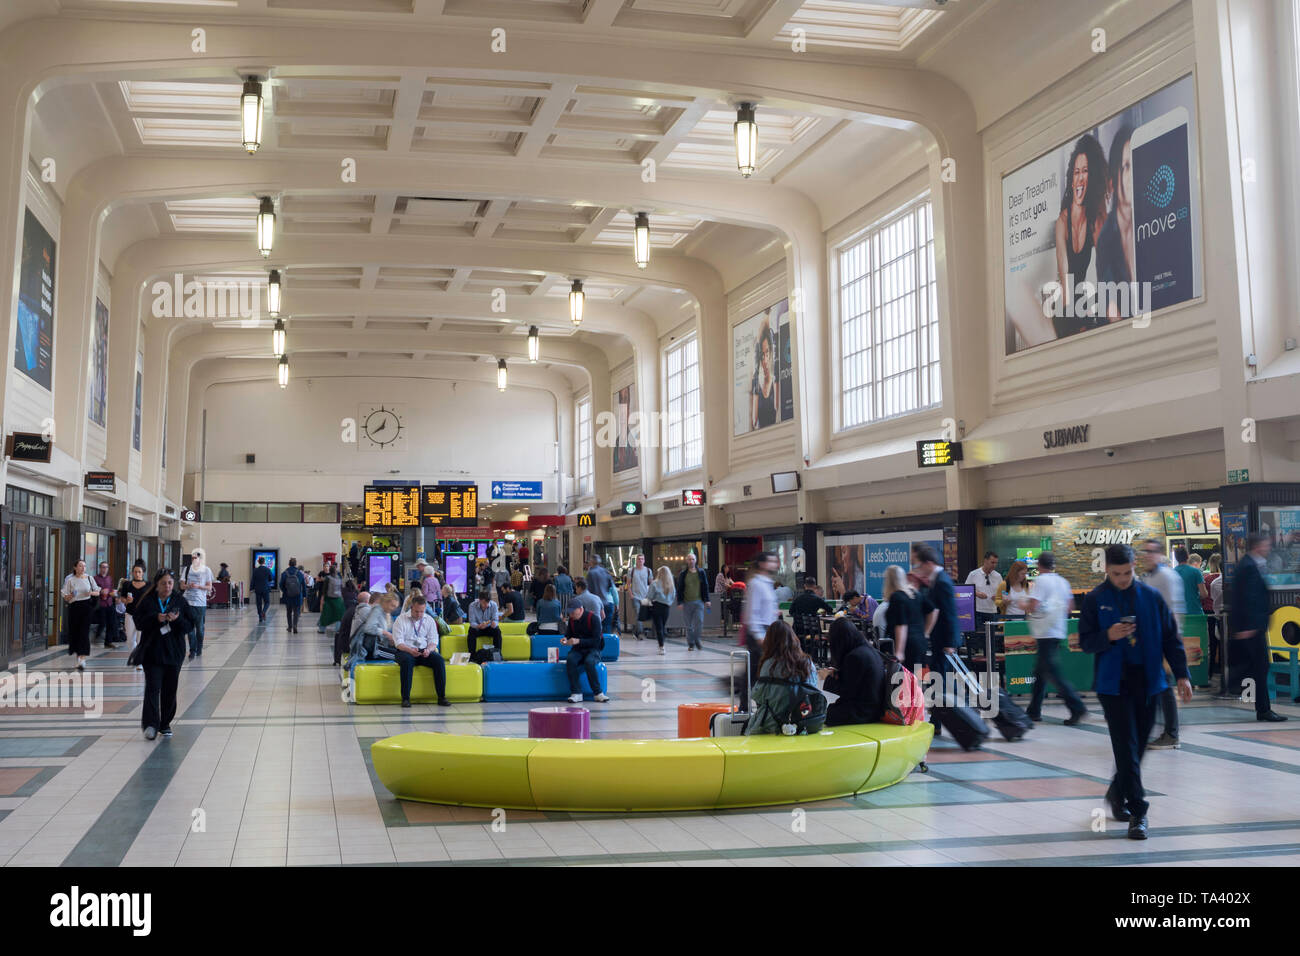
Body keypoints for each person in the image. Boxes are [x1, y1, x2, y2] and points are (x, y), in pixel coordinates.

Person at [1080, 543, 1192, 839]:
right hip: (1113, 685)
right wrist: (1108, 635)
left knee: (1138, 746)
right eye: (1117, 573)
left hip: (1149, 681)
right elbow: (1086, 641)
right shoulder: (1095, 599)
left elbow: (1171, 637)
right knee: (1124, 746)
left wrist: (1182, 675)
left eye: (1128, 572)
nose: (1123, 578)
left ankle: (1118, 792)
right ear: (1106, 569)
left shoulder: (1151, 597)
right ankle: (1139, 812)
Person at [1053, 133, 1109, 338]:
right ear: (1071, 178)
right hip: (1064, 309)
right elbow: (1065, 280)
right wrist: (1077, 321)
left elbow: (1104, 269)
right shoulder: (1062, 223)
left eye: (1085, 171)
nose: (1080, 177)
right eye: (1076, 172)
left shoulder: (1094, 219)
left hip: (1084, 308)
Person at [130, 569, 197, 740]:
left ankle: (165, 723)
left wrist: (177, 621)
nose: (167, 586)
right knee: (152, 688)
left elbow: (190, 625)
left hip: (174, 652)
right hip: (152, 652)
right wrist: (156, 618)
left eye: (170, 583)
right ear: (157, 585)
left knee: (170, 689)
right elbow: (138, 623)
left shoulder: (179, 601)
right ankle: (151, 724)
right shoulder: (148, 601)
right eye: (163, 583)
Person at [1230, 532, 1288, 723]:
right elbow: (1246, 599)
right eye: (1265, 545)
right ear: (1257, 546)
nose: (1268, 548)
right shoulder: (1248, 567)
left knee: (1258, 666)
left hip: (1252, 626)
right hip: (1251, 628)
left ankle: (1262, 708)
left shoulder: (1250, 564)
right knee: (1260, 666)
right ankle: (1263, 709)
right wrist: (1248, 626)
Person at [1024, 552, 1086, 724]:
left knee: (1053, 673)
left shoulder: (1041, 581)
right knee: (1040, 672)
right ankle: (1034, 710)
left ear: (1039, 566)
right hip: (1058, 631)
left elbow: (1034, 606)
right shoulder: (1063, 581)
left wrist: (1024, 604)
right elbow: (1069, 607)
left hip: (1045, 632)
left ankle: (1077, 706)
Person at [1138, 539, 1184, 749]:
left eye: (1150, 552)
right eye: (1144, 552)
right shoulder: (1148, 577)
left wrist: (1171, 644)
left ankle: (1171, 733)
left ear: (1159, 554)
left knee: (1164, 686)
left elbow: (1173, 611)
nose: (1146, 555)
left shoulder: (1166, 577)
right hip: (1150, 639)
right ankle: (1155, 728)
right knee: (1155, 685)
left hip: (1164, 640)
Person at [745, 620, 819, 735]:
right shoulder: (808, 662)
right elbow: (814, 690)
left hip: (773, 724)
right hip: (804, 721)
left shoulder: (769, 664)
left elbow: (758, 696)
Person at [819, 618, 886, 726]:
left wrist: (827, 678)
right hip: (875, 708)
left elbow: (847, 691)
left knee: (825, 714)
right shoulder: (867, 651)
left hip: (864, 712)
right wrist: (837, 673)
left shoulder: (854, 657)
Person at [390, 593, 449, 708]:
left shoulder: (429, 620)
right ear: (411, 607)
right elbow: (398, 642)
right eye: (417, 611)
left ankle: (441, 697)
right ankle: (405, 698)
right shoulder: (401, 619)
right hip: (405, 650)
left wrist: (429, 650)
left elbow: (433, 640)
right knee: (407, 662)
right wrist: (410, 650)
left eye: (422, 611)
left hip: (423, 651)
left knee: (439, 661)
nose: (419, 614)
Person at [740, 552, 779, 698]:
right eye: (771, 561)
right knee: (755, 672)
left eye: (776, 561)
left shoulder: (768, 584)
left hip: (768, 631)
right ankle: (745, 705)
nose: (775, 564)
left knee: (760, 672)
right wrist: (759, 636)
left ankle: (759, 704)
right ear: (762, 564)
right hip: (759, 633)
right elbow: (752, 612)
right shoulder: (756, 584)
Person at [561, 601, 611, 704]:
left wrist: (579, 641)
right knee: (570, 660)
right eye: (569, 613)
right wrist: (565, 639)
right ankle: (576, 692)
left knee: (589, 662)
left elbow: (596, 641)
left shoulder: (593, 618)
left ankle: (598, 693)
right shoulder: (572, 620)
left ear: (580, 609)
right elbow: (569, 634)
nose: (571, 615)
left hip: (594, 649)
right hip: (578, 649)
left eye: (573, 612)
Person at [881, 565, 927, 674]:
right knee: (918, 680)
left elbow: (901, 624)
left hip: (907, 646)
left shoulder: (897, 597)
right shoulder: (914, 593)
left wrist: (899, 651)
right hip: (920, 643)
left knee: (906, 680)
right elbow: (933, 610)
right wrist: (926, 633)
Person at [61, 559, 96, 670]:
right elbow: (65, 596)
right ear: (75, 567)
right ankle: (78, 658)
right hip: (74, 607)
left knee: (84, 632)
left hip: (86, 607)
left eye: (84, 566)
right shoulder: (70, 580)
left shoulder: (90, 578)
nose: (83, 568)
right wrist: (71, 595)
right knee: (75, 632)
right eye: (80, 566)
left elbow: (97, 591)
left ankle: (83, 659)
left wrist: (90, 592)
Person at [180, 548, 215, 659]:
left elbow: (209, 587)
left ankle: (199, 648)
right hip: (188, 602)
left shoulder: (206, 570)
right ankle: (192, 650)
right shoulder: (187, 569)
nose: (194, 560)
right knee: (190, 629)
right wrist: (188, 586)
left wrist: (199, 586)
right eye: (193, 558)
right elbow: (181, 586)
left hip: (200, 604)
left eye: (196, 558)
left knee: (199, 629)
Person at [675, 553, 711, 652]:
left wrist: (707, 600)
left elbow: (705, 586)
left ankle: (697, 640)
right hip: (686, 603)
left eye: (693, 559)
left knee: (699, 622)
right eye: (689, 559)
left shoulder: (701, 572)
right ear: (687, 561)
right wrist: (680, 602)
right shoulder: (683, 574)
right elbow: (679, 589)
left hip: (699, 602)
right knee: (689, 626)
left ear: (696, 560)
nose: (691, 561)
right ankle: (691, 643)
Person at [119, 561, 151, 670]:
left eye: (139, 572)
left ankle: (139, 661)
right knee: (130, 639)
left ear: (143, 573)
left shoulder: (148, 585)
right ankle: (135, 656)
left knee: (141, 639)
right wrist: (127, 601)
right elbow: (122, 598)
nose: (137, 574)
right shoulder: (127, 584)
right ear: (132, 573)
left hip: (143, 616)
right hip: (130, 614)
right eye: (135, 572)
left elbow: (152, 599)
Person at [965, 551, 1002, 638]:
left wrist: (998, 596)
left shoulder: (998, 576)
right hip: (978, 611)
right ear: (985, 561)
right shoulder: (973, 574)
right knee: (979, 637)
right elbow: (966, 590)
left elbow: (1004, 592)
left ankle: (989, 652)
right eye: (992, 562)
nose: (994, 565)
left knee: (991, 638)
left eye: (996, 563)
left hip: (992, 611)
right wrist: (977, 594)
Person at [749, 323, 779, 431]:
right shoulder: (756, 383)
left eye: (767, 353)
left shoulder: (775, 379)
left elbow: (777, 407)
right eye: (762, 356)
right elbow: (754, 421)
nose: (765, 360)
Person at [1173, 547, 1208, 623]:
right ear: (1187, 556)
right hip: (1195, 612)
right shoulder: (1195, 572)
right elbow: (1204, 594)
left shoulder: (1172, 573)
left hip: (1178, 615)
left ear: (1176, 558)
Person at [335, 589, 368, 667]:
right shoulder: (362, 611)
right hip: (349, 646)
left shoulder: (353, 609)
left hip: (344, 642)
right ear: (367, 602)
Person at [646, 565, 675, 654]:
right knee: (663, 626)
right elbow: (673, 596)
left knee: (658, 627)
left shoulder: (654, 583)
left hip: (657, 606)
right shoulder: (671, 584)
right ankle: (662, 643)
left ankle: (661, 646)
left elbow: (649, 596)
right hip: (666, 607)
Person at [92, 560, 120, 647]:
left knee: (111, 623)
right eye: (103, 567)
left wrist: (114, 594)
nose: (105, 569)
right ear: (100, 568)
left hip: (109, 603)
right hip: (100, 604)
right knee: (103, 622)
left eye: (106, 567)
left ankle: (108, 642)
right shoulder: (95, 578)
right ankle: (96, 636)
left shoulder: (109, 578)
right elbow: (93, 590)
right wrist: (100, 591)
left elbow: (111, 589)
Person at [586, 556, 616, 635]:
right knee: (607, 626)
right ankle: (607, 644)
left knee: (595, 627)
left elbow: (589, 589)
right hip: (607, 602)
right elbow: (610, 586)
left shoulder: (591, 573)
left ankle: (598, 645)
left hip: (595, 604)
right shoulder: (605, 572)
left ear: (592, 562)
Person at [467, 589, 503, 656]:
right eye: (484, 603)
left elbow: (495, 619)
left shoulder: (494, 605)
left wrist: (494, 623)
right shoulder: (472, 605)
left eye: (487, 602)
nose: (486, 605)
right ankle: (472, 656)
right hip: (478, 628)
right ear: (479, 600)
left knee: (497, 631)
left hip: (489, 627)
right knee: (471, 631)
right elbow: (472, 622)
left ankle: (497, 654)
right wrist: (478, 626)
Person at [279, 558, 308, 633]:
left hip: (287, 596)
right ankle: (295, 625)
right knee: (296, 611)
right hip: (298, 596)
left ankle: (289, 627)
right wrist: (304, 595)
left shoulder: (284, 573)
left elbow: (281, 585)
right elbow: (303, 585)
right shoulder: (299, 573)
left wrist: (285, 591)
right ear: (295, 564)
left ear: (289, 564)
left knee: (288, 611)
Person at [627, 554, 652, 640]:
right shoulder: (632, 571)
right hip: (635, 597)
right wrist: (631, 594)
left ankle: (635, 631)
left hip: (645, 597)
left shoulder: (648, 571)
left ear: (644, 560)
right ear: (636, 560)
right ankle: (640, 633)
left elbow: (651, 584)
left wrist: (650, 595)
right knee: (638, 613)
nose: (640, 560)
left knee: (643, 615)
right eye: (639, 559)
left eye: (642, 559)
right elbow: (628, 584)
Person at [318, 563, 345, 635]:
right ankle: (338, 629)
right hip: (338, 599)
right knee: (339, 615)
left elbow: (324, 590)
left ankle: (322, 629)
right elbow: (341, 589)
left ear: (330, 571)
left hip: (329, 599)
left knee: (325, 614)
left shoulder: (328, 578)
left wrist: (322, 599)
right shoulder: (339, 578)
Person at [250, 556, 274, 623]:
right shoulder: (267, 569)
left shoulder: (255, 570)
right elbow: (271, 578)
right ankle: (264, 612)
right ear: (264, 562)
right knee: (267, 602)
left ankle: (260, 617)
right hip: (266, 588)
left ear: (258, 562)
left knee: (259, 603)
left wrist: (251, 588)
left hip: (257, 589)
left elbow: (253, 580)